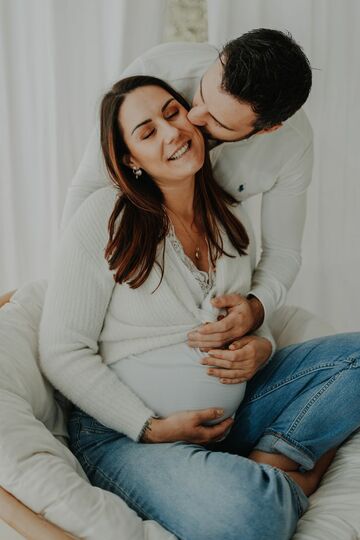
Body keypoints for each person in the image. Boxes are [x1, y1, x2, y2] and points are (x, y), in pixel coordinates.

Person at [40, 76, 360, 540]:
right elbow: (61, 350)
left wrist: (261, 346)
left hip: (233, 414)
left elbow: (238, 321)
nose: (170, 132)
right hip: (128, 438)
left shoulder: (225, 220)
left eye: (172, 113)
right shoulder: (105, 216)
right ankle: (292, 479)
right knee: (254, 517)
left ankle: (275, 456)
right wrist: (149, 427)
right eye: (147, 132)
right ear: (130, 159)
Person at [61, 28, 314, 361]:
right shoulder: (157, 69)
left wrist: (256, 311)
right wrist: (68, 287)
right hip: (140, 253)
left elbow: (283, 251)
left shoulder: (292, 148)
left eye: (217, 122)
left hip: (215, 259)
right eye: (201, 96)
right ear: (220, 56)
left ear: (267, 129)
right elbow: (90, 185)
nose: (194, 117)